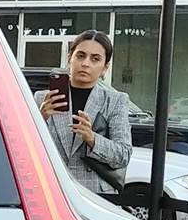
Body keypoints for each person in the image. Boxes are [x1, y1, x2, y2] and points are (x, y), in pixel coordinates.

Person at [39, 29, 133, 197]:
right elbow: (21, 149)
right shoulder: (43, 99)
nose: (85, 63)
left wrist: (92, 138)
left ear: (105, 68)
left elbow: (123, 155)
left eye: (95, 59)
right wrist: (39, 119)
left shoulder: (115, 101)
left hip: (96, 196)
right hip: (52, 191)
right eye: (80, 56)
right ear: (70, 58)